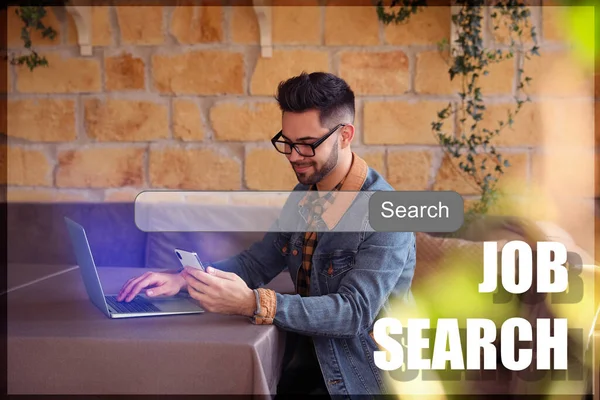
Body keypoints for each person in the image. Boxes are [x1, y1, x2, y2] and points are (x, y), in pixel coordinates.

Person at [117, 71, 417, 397]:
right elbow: (257, 262)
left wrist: (252, 303)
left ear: (345, 136)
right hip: (303, 364)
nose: (292, 156)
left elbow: (353, 314)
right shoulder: (305, 194)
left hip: (363, 381)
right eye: (287, 142)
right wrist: (185, 280)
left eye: (306, 144)